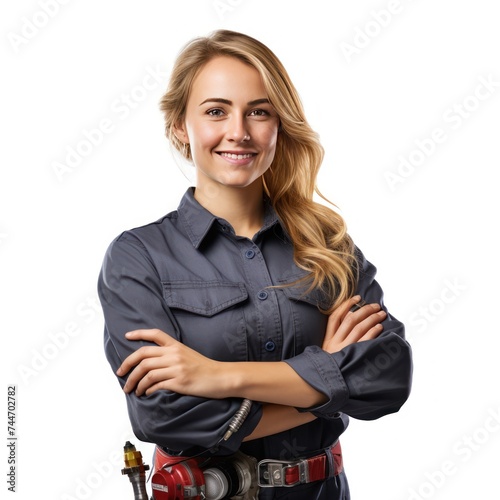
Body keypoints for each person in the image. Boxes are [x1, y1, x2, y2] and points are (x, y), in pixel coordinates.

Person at [98, 29, 413, 499]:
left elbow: (386, 375)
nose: (239, 131)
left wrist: (216, 375)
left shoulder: (327, 246)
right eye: (216, 111)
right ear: (180, 127)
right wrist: (328, 382)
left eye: (259, 112)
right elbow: (167, 417)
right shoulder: (138, 257)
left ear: (279, 125)